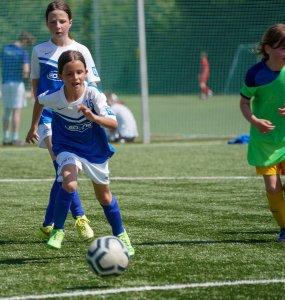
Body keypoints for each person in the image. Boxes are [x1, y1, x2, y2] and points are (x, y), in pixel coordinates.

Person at [26, 50, 135, 255]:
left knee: (104, 197)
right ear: (60, 77)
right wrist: (33, 127)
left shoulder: (94, 94)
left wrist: (92, 117)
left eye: (78, 72)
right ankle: (58, 231)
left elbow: (113, 123)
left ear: (85, 72)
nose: (74, 77)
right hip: (67, 146)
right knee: (69, 183)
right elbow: (39, 101)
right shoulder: (55, 97)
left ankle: (121, 235)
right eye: (68, 74)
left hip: (94, 150)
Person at [29, 0, 100, 241]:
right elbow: (36, 90)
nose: (57, 25)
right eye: (52, 21)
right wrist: (34, 123)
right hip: (50, 119)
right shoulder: (39, 51)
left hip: (77, 122)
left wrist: (94, 118)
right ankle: (80, 218)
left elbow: (92, 87)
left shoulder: (82, 50)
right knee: (62, 167)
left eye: (62, 21)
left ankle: (48, 224)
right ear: (47, 24)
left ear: (70, 22)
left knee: (62, 174)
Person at [240, 23, 285, 242]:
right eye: (282, 47)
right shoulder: (255, 74)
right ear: (267, 49)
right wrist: (255, 121)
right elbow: (244, 104)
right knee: (273, 187)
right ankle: (284, 227)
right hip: (265, 142)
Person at [1, 32, 35, 145]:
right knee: (16, 110)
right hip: (17, 83)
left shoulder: (5, 49)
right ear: (25, 41)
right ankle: (15, 138)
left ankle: (5, 138)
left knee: (6, 111)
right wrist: (26, 76)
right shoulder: (22, 52)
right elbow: (26, 70)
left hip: (5, 83)